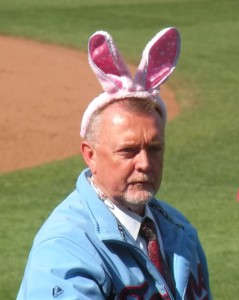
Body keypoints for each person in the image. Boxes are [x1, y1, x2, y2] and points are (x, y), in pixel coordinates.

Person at [17, 28, 212, 299]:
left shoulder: (179, 231)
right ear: (90, 155)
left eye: (155, 149)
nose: (144, 163)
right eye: (128, 151)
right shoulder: (65, 250)